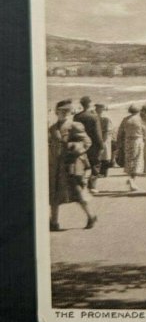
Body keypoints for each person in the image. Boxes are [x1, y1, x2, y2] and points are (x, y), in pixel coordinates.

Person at [48, 99, 97, 231]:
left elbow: (87, 142)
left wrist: (74, 147)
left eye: (67, 111)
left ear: (70, 112)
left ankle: (91, 216)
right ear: (56, 112)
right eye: (61, 111)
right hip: (56, 165)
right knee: (54, 193)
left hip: (71, 164)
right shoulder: (52, 128)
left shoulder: (75, 125)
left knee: (77, 192)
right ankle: (54, 222)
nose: (64, 114)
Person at [73, 96, 104, 193]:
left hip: (81, 143)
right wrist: (101, 145)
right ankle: (92, 186)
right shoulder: (94, 116)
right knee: (95, 164)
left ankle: (82, 185)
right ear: (90, 104)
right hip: (94, 144)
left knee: (82, 164)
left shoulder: (76, 116)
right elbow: (97, 132)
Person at [117, 104, 144, 192]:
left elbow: (120, 132)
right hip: (138, 140)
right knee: (137, 160)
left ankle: (131, 178)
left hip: (127, 140)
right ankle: (132, 180)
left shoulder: (125, 119)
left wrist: (119, 143)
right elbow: (145, 131)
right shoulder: (140, 119)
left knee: (129, 160)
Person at [94, 103, 114, 178]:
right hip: (102, 136)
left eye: (97, 108)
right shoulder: (99, 116)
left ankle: (104, 173)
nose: (96, 109)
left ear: (101, 109)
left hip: (105, 137)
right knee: (103, 155)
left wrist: (103, 139)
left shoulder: (105, 117)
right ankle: (102, 172)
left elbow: (107, 130)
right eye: (96, 108)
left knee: (105, 155)